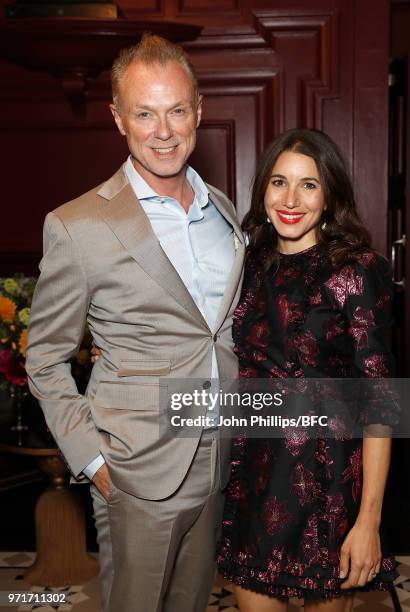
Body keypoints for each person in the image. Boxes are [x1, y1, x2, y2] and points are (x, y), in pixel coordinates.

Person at [25, 34, 245, 612]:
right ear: (118, 119)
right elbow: (44, 359)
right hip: (134, 470)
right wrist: (95, 463)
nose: (163, 130)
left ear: (198, 111)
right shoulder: (79, 226)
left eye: (176, 110)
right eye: (144, 113)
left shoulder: (222, 209)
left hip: (218, 455)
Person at [216, 128, 398, 611]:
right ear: (263, 191)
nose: (291, 199)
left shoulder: (356, 271)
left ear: (330, 194)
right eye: (279, 182)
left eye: (309, 185)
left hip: (327, 488)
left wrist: (368, 523)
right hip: (251, 482)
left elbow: (380, 405)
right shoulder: (249, 266)